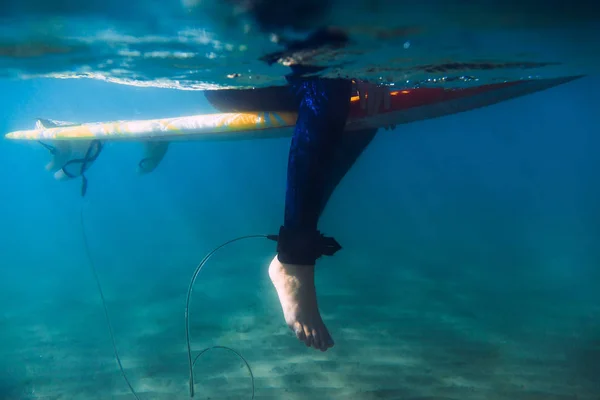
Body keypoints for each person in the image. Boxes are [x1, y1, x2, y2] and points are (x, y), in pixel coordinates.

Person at [210, 77, 391, 351]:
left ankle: (294, 250)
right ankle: (294, 261)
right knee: (331, 86)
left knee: (366, 107)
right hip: (237, 81)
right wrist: (356, 71)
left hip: (316, 71)